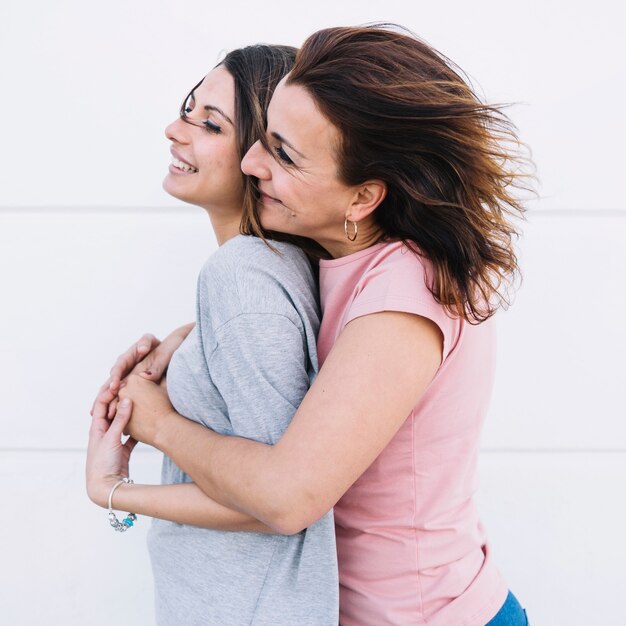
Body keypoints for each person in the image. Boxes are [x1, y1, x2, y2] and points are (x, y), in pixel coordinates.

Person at [97, 25, 531, 625]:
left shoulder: (405, 295)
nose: (253, 163)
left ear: (363, 198)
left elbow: (287, 496)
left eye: (284, 154)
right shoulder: (339, 262)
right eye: (263, 137)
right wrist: (188, 341)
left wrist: (155, 430)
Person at [86, 44, 339, 626]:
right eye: (187, 110)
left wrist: (112, 489)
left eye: (209, 125)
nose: (175, 130)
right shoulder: (263, 271)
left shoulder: (242, 275)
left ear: (260, 151)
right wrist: (193, 336)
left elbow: (279, 502)